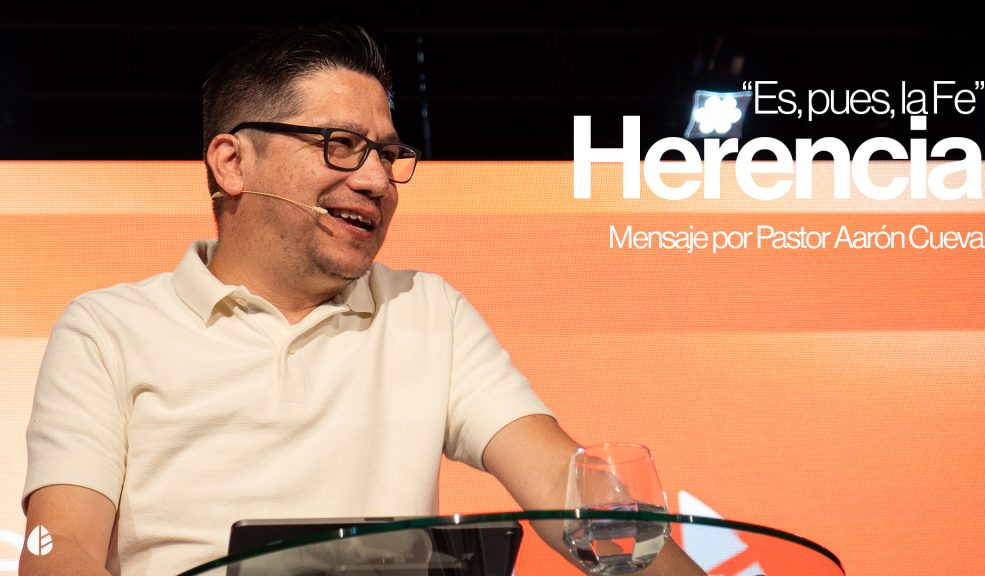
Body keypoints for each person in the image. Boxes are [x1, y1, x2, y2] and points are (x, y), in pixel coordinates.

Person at [20, 25, 705, 576]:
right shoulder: (107, 328)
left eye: (387, 153)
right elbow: (57, 546)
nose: (377, 180)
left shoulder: (428, 311)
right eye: (341, 145)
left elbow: (563, 487)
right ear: (232, 163)